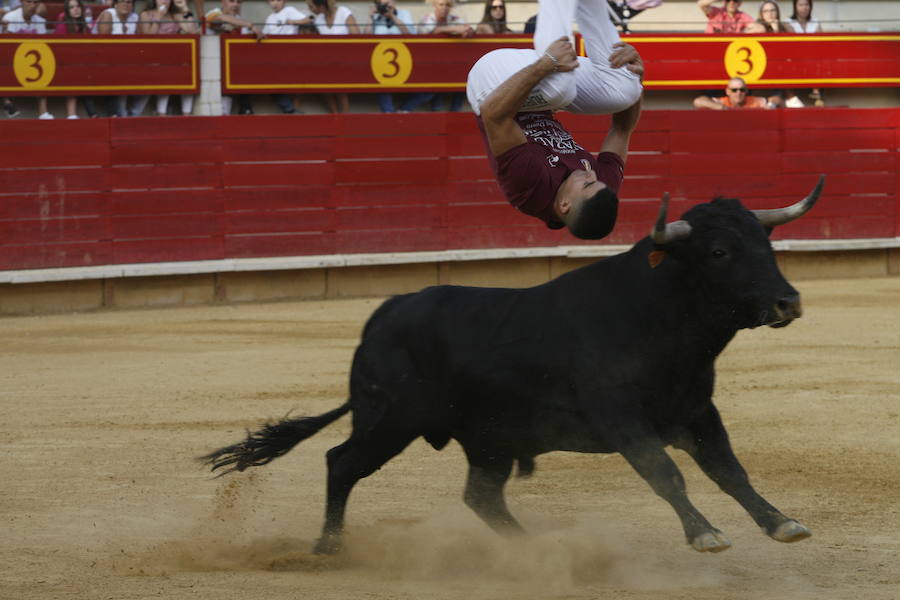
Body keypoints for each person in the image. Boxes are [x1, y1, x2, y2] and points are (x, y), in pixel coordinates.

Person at [466, 0, 644, 239]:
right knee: (626, 90)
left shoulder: (530, 189)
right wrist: (635, 73)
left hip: (492, 85)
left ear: (564, 206)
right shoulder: (599, 190)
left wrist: (546, 64)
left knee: (560, 87)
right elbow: (622, 129)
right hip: (542, 88)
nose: (592, 175)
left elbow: (494, 115)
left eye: (588, 184)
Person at [402, 0, 472, 113]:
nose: (444, 8)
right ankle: (405, 109)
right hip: (425, 65)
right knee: (431, 90)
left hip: (449, 65)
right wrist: (452, 30)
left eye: (448, 5)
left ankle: (452, 112)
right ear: (435, 5)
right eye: (441, 4)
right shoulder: (427, 19)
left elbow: (467, 29)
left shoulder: (454, 19)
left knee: (462, 80)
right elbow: (432, 31)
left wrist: (467, 31)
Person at [206, 0, 264, 115]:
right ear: (223, 2)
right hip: (212, 65)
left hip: (231, 66)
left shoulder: (240, 19)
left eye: (238, 2)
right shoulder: (213, 13)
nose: (235, 5)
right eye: (231, 1)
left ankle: (245, 109)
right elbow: (221, 18)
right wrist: (250, 25)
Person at [2, 0, 53, 119]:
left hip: (31, 63)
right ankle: (7, 101)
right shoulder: (11, 17)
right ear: (21, 2)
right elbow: (6, 48)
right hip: (12, 61)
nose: (32, 5)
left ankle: (43, 112)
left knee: (45, 64)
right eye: (29, 1)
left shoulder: (40, 21)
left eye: (35, 2)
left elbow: (43, 48)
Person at [307, 0, 359, 113]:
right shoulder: (319, 20)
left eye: (312, 6)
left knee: (338, 83)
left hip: (346, 61)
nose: (310, 9)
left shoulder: (344, 12)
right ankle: (335, 115)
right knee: (319, 82)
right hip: (327, 63)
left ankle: (344, 116)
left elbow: (357, 37)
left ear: (321, 6)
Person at [263, 0, 313, 114]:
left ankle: (293, 109)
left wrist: (293, 21)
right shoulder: (269, 18)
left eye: (278, 0)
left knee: (296, 83)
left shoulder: (289, 10)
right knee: (271, 82)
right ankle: (289, 109)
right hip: (275, 56)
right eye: (271, 1)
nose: (275, 3)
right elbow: (265, 35)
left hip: (290, 54)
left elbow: (308, 20)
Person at [365, 0, 415, 113]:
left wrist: (392, 16)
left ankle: (404, 109)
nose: (385, 7)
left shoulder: (404, 14)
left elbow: (410, 34)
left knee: (428, 90)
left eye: (388, 3)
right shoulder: (376, 17)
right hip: (381, 63)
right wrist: (370, 18)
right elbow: (365, 38)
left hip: (406, 60)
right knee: (381, 84)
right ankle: (388, 113)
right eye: (383, 4)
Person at [54, 0, 98, 118]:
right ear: (67, 11)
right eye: (72, 7)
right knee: (75, 74)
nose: (76, 9)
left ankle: (88, 114)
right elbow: (59, 50)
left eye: (78, 6)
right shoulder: (63, 26)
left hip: (82, 65)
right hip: (65, 65)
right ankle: (74, 114)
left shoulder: (83, 26)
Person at [788, 0, 824, 106]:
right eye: (801, 5)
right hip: (794, 57)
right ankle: (793, 98)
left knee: (819, 58)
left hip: (812, 57)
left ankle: (817, 95)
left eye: (807, 5)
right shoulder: (788, 22)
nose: (804, 8)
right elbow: (795, 41)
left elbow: (821, 41)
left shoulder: (815, 21)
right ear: (795, 6)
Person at [693, 77, 779, 110]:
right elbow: (698, 101)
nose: (738, 93)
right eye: (734, 90)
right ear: (728, 91)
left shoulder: (754, 101)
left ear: (746, 91)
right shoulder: (722, 102)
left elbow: (776, 99)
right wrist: (720, 107)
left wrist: (772, 104)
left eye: (742, 90)